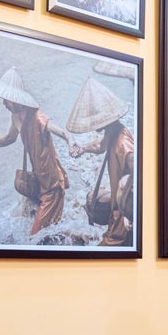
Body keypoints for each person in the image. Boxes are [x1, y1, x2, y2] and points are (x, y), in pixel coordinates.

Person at [0, 67, 75, 235]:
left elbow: (62, 132)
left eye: (6, 99)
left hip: (51, 184)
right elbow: (9, 138)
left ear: (15, 99)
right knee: (34, 227)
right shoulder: (16, 117)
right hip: (37, 181)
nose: (4, 103)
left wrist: (71, 142)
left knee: (35, 236)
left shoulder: (38, 118)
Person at [66, 77, 135, 246]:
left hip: (125, 216)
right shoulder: (113, 131)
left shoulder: (122, 142)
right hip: (120, 210)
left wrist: (130, 213)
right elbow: (101, 145)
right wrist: (82, 148)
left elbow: (139, 167)